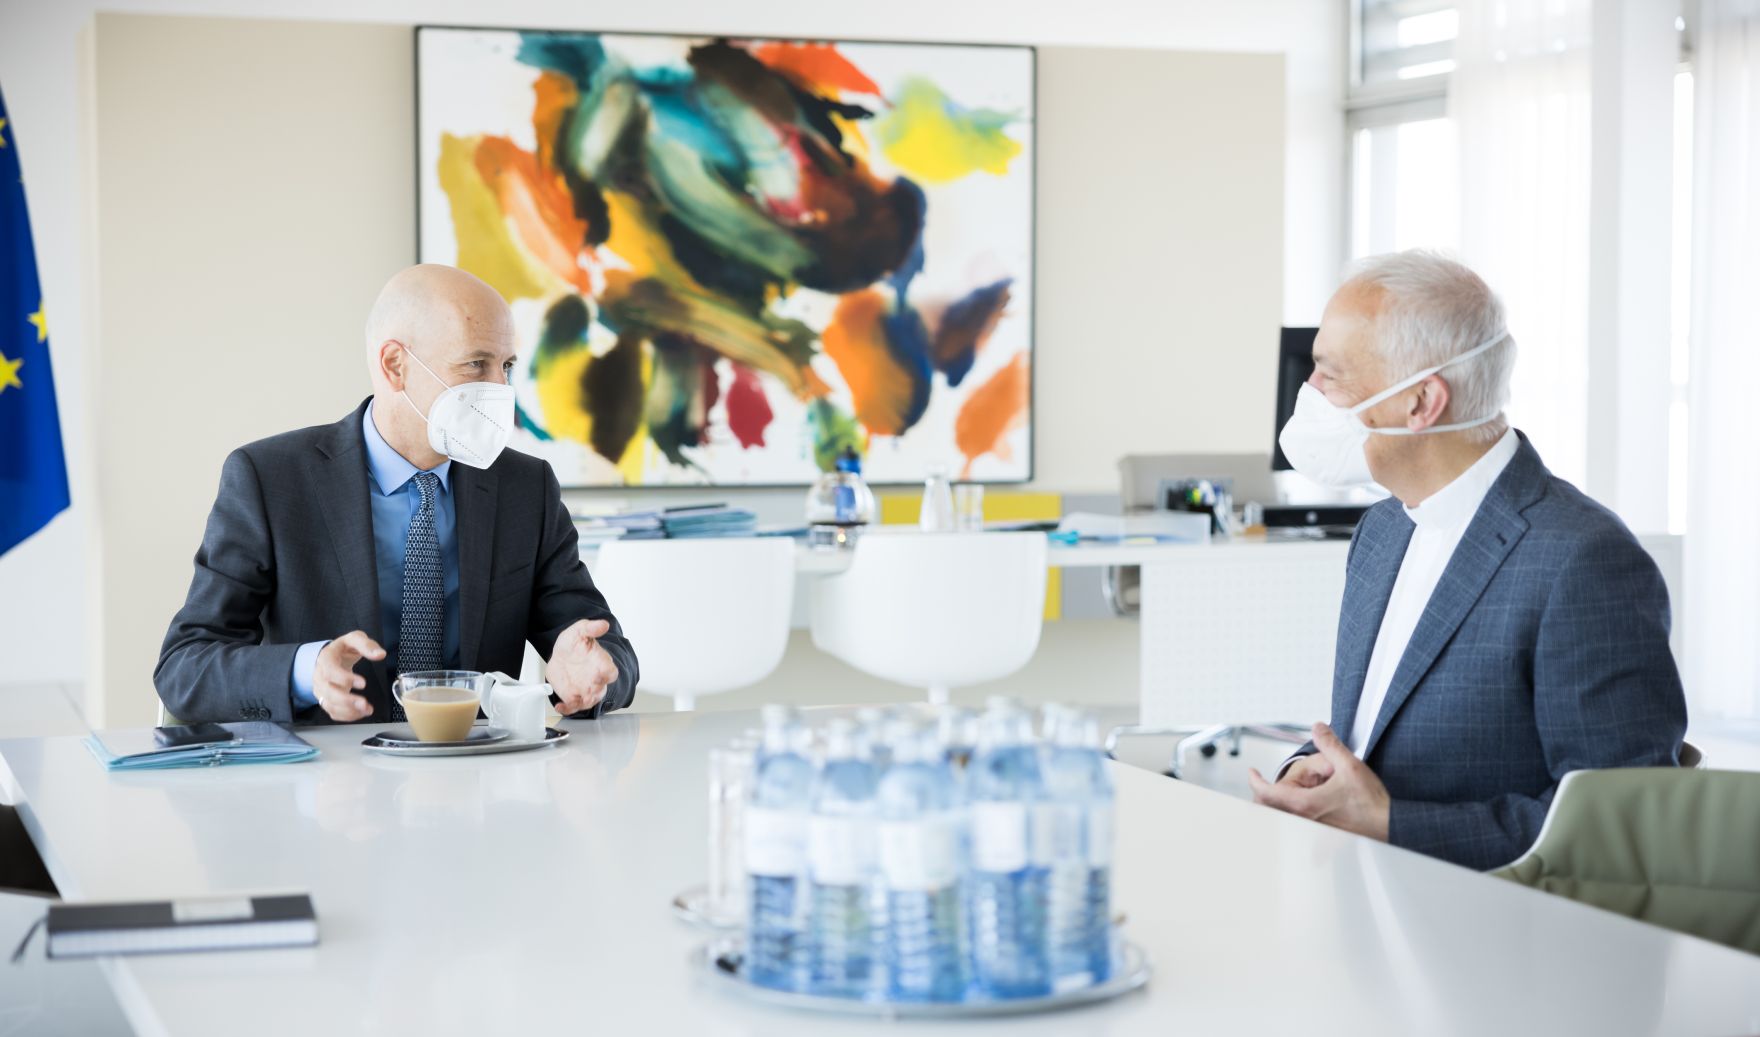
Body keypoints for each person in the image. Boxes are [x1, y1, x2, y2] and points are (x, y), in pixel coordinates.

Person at [1247, 250, 1686, 871]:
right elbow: (1380, 732)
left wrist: (1392, 824)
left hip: (1498, 942)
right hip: (1367, 912)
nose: (1311, 394)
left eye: (1331, 375)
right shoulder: (1383, 527)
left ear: (1421, 401)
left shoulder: (1583, 559)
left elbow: (1624, 828)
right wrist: (1313, 774)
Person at [156, 264, 637, 724]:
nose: (500, 389)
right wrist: (306, 671)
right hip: (326, 785)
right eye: (476, 364)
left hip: (477, 780)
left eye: (506, 366)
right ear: (394, 366)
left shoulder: (524, 488)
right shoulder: (270, 479)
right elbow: (185, 666)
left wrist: (597, 674)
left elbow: (605, 647)